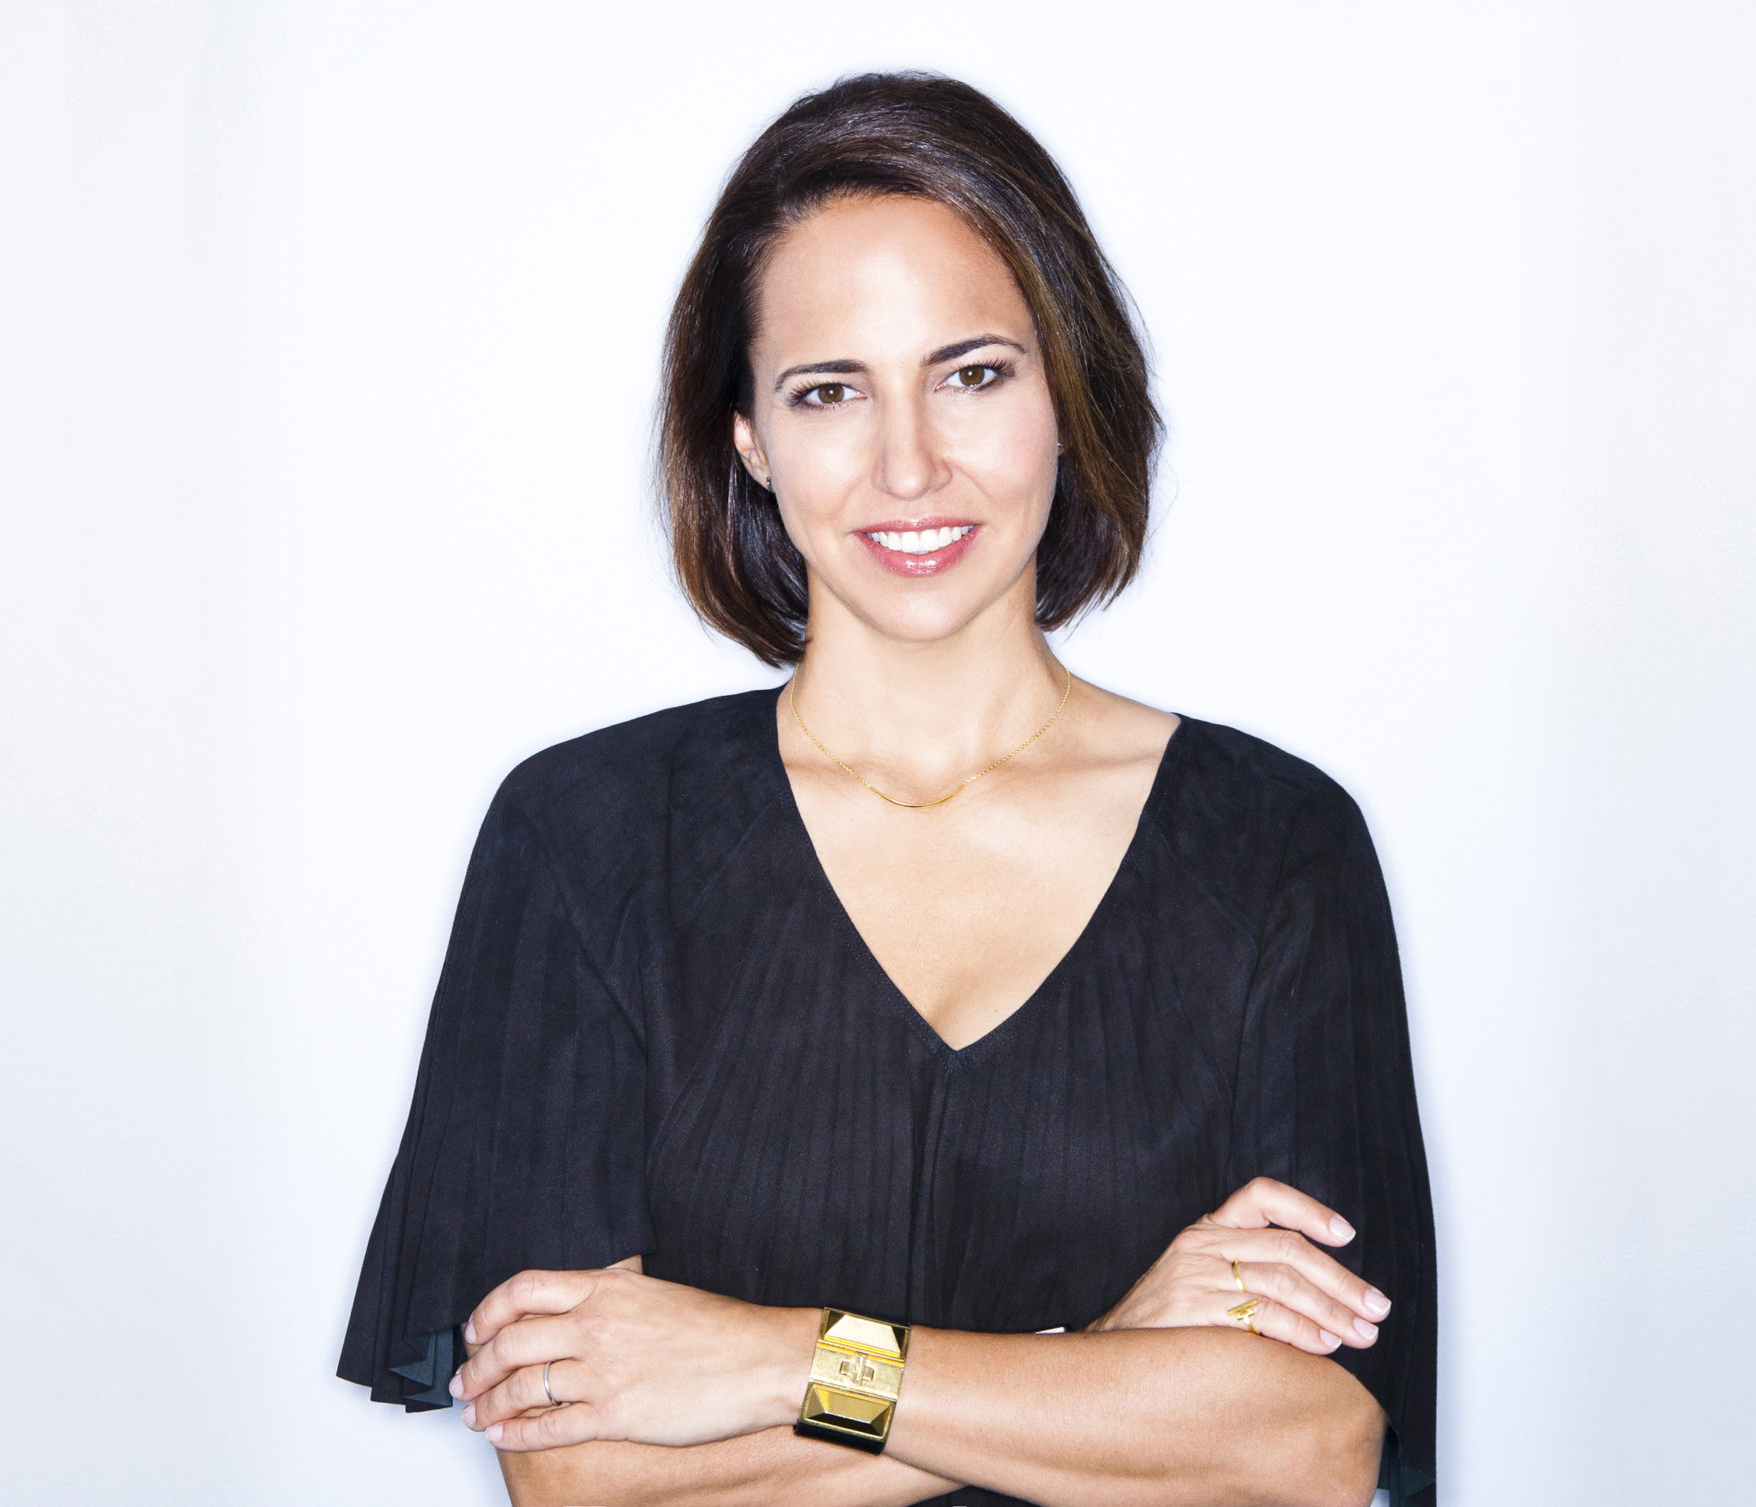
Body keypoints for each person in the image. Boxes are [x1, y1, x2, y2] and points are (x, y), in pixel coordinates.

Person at [338, 71, 1436, 1507]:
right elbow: (583, 1478)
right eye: (829, 391)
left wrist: (780, 1361)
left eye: (972, 373)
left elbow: (1308, 1444)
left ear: (1067, 393)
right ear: (748, 437)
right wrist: (1092, 1355)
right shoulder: (585, 841)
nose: (910, 464)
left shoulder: (1277, 850)